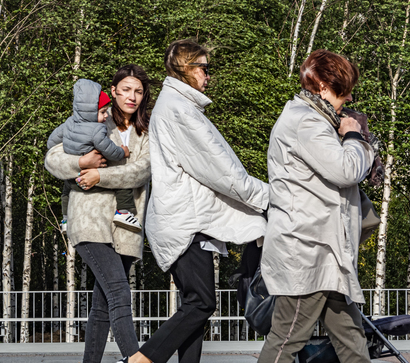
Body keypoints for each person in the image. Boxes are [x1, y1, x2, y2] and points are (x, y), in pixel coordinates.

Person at [124, 39, 269, 363]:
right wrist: (270, 197)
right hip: (183, 223)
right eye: (203, 67)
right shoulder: (179, 111)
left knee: (196, 305)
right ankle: (141, 360)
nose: (208, 75)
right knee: (201, 303)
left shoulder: (177, 106)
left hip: (185, 220)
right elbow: (223, 171)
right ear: (185, 69)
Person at [258, 49, 374, 363]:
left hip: (325, 253)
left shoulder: (312, 119)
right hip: (308, 251)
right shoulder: (306, 122)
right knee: (286, 340)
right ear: (322, 85)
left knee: (352, 340)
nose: (347, 98)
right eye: (342, 90)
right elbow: (346, 170)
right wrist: (355, 137)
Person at [44, 64, 152, 363]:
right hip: (89, 221)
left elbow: (141, 171)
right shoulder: (92, 119)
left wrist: (100, 176)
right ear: (113, 91)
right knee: (119, 291)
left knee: (103, 303)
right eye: (126, 89)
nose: (132, 97)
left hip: (128, 228)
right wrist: (82, 162)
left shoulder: (148, 131)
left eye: (139, 91)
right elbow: (52, 158)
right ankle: (135, 359)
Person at [48, 78, 142, 233]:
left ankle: (66, 218)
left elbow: (51, 141)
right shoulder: (97, 130)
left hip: (74, 177)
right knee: (121, 182)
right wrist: (122, 152)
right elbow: (109, 150)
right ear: (91, 111)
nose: (106, 116)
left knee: (66, 192)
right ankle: (124, 212)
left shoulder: (69, 123)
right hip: (92, 175)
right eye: (103, 112)